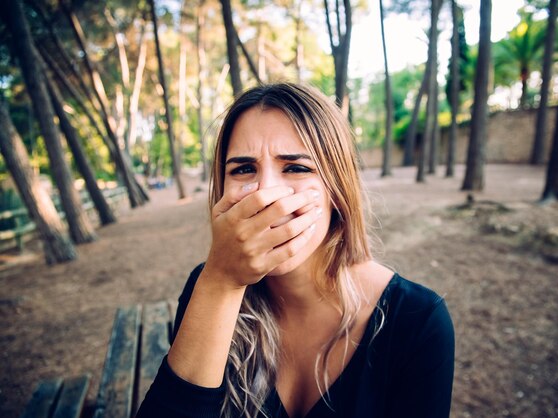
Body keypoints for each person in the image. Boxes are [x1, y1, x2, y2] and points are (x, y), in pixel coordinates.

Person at [137, 83, 454, 418]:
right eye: (243, 169)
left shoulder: (418, 320)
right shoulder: (209, 287)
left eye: (297, 167)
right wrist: (221, 283)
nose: (267, 194)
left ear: (337, 188)